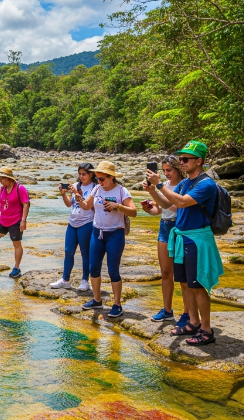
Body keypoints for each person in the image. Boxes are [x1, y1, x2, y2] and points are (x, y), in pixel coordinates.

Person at [147, 141, 222, 346]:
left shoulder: (206, 184)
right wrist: (154, 190)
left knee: (198, 285)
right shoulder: (186, 182)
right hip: (183, 238)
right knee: (184, 282)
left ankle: (206, 330)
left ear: (199, 161)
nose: (182, 162)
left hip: (197, 239)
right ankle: (193, 322)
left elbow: (181, 202)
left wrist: (161, 184)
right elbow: (167, 205)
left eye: (186, 159)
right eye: (181, 158)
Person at [80, 161, 137, 318]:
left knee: (113, 270)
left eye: (102, 178)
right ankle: (97, 300)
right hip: (97, 232)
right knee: (94, 268)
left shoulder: (122, 191)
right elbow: (86, 206)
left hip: (115, 234)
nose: (99, 181)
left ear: (111, 177)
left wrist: (117, 206)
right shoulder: (97, 188)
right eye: (97, 178)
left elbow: (133, 211)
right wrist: (78, 198)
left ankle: (117, 304)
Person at [143, 156, 190, 324]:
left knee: (183, 276)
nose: (166, 174)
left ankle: (187, 313)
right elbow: (160, 210)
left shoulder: (185, 186)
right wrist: (150, 206)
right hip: (165, 228)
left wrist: (157, 190)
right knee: (165, 273)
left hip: (180, 228)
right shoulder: (165, 186)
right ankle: (167, 310)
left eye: (169, 170)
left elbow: (177, 207)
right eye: (163, 171)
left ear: (178, 169)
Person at [50, 163, 96, 291]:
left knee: (85, 253)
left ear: (91, 174)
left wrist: (77, 194)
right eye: (79, 174)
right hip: (72, 222)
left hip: (86, 222)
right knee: (68, 251)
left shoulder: (95, 188)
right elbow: (69, 204)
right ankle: (65, 280)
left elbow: (86, 205)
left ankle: (85, 280)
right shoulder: (76, 185)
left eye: (84, 174)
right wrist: (64, 194)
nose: (81, 176)